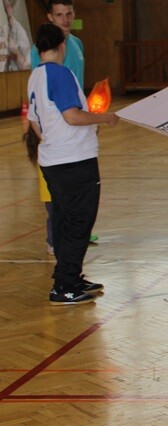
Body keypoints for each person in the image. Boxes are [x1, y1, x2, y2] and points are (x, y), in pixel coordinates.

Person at [26, 23, 119, 305]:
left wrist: (51, 142)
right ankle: (64, 286)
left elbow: (33, 120)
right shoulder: (60, 73)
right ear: (62, 47)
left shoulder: (35, 75)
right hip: (74, 161)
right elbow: (72, 116)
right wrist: (104, 118)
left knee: (67, 220)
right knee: (79, 222)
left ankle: (70, 276)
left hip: (55, 160)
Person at [30, 0, 90, 254]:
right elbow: (41, 88)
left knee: (75, 184)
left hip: (76, 123)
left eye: (68, 14)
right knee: (55, 187)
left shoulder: (76, 43)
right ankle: (55, 238)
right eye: (59, 15)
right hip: (56, 124)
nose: (64, 19)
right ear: (49, 17)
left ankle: (73, 230)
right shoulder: (41, 50)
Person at [1, 0, 31, 71]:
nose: (8, 10)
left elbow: (27, 67)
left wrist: (15, 52)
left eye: (8, 6)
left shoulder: (17, 31)